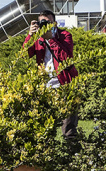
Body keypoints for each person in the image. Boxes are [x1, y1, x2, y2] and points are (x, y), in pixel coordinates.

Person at [24, 9, 79, 139]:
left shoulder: (65, 35)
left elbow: (66, 58)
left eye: (48, 22)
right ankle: (47, 149)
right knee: (44, 119)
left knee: (69, 121)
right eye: (42, 22)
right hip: (45, 83)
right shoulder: (37, 37)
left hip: (64, 81)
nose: (44, 24)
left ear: (54, 23)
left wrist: (51, 40)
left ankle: (71, 149)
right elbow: (26, 54)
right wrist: (30, 36)